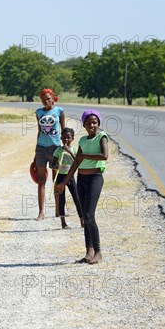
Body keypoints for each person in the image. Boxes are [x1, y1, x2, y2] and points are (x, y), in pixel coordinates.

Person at [55, 109, 108, 265]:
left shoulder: (101, 137)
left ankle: (98, 252)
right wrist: (63, 183)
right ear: (84, 124)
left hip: (95, 178)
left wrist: (84, 155)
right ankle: (88, 252)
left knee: (90, 215)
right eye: (89, 122)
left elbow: (104, 156)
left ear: (98, 123)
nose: (92, 125)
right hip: (82, 178)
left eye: (95, 122)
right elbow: (76, 163)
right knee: (85, 217)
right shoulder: (83, 141)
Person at [34, 88, 65, 221]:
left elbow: (63, 131)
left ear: (53, 98)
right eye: (43, 100)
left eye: (48, 99)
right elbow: (39, 130)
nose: (46, 102)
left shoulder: (59, 111)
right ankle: (41, 212)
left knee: (56, 179)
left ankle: (58, 209)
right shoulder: (39, 112)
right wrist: (35, 152)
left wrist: (65, 147)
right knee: (41, 181)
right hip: (41, 147)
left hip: (55, 148)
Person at [53, 128, 84, 229]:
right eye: (64, 137)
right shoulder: (58, 150)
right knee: (61, 199)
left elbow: (77, 161)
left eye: (69, 137)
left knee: (77, 198)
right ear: (61, 138)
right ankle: (63, 223)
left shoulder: (75, 149)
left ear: (73, 138)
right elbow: (52, 164)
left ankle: (82, 221)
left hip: (70, 177)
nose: (66, 139)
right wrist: (56, 165)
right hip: (60, 177)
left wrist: (69, 151)